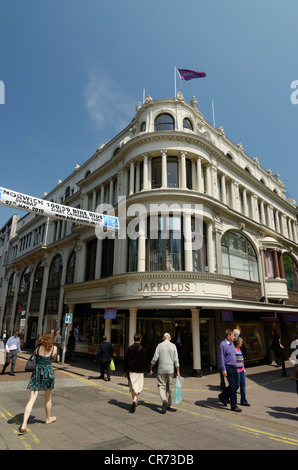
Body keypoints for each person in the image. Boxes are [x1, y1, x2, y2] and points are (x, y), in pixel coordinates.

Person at [19, 332, 57, 434]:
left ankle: (24, 424)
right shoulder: (54, 348)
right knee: (48, 398)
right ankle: (48, 418)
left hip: (37, 373)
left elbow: (35, 356)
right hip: (48, 373)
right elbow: (53, 359)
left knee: (31, 399)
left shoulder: (38, 347)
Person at [150, 332, 180, 414]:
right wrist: (178, 371)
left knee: (161, 385)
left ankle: (164, 400)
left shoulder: (160, 345)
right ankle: (169, 404)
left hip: (161, 370)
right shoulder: (173, 346)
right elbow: (176, 360)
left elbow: (155, 358)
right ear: (170, 338)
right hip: (170, 370)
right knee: (169, 386)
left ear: (163, 338)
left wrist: (150, 367)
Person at [124, 333, 152, 413]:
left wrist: (125, 371)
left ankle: (134, 400)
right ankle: (135, 400)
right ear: (140, 339)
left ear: (134, 339)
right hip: (139, 371)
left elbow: (126, 360)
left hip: (131, 370)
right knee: (139, 387)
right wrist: (148, 370)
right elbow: (145, 361)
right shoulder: (142, 349)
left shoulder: (129, 348)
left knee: (132, 386)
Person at [218, 329, 241, 412]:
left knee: (236, 385)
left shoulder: (231, 343)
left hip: (234, 366)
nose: (234, 337)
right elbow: (221, 358)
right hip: (228, 367)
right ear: (228, 336)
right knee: (233, 386)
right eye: (233, 336)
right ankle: (233, 405)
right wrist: (223, 369)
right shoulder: (222, 344)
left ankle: (222, 396)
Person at [234, 336, 250, 406]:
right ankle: (229, 397)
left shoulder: (239, 349)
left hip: (241, 370)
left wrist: (244, 368)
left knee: (243, 385)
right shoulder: (233, 350)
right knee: (237, 385)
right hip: (236, 370)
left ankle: (243, 401)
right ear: (237, 343)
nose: (242, 343)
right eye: (241, 342)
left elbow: (241, 360)